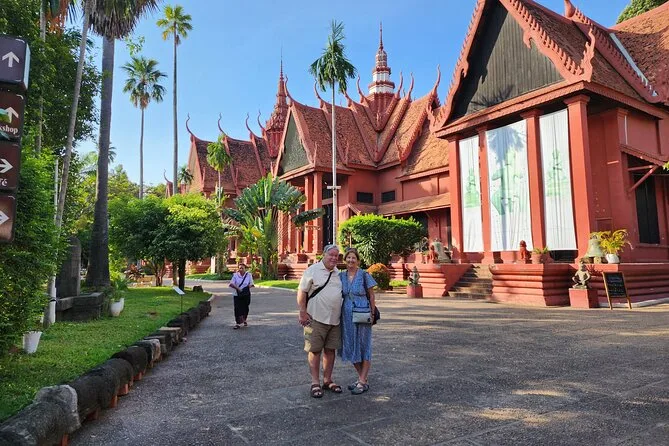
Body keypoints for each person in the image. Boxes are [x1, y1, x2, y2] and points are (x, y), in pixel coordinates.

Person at [296, 244, 343, 398]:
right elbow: (302, 291)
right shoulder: (312, 270)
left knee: (330, 350)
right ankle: (315, 382)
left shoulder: (338, 273)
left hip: (334, 320)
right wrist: (302, 312)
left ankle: (327, 380)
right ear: (324, 255)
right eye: (331, 255)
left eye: (336, 256)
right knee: (315, 350)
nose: (334, 258)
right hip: (315, 318)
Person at [339, 248, 377, 395]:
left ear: (358, 261)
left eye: (353, 258)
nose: (351, 260)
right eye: (348, 258)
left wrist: (372, 313)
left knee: (363, 345)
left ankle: (361, 381)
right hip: (347, 315)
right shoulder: (341, 276)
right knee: (349, 345)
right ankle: (363, 379)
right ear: (345, 260)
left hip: (362, 313)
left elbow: (371, 295)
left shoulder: (364, 275)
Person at [229, 263, 254, 329]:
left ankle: (244, 319)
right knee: (237, 308)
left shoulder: (249, 275)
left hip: (246, 294)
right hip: (237, 294)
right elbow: (231, 284)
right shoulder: (235, 275)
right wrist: (238, 289)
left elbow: (251, 284)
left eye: (242, 268)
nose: (241, 269)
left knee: (245, 307)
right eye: (240, 268)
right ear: (238, 269)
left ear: (245, 269)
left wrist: (245, 288)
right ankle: (238, 323)